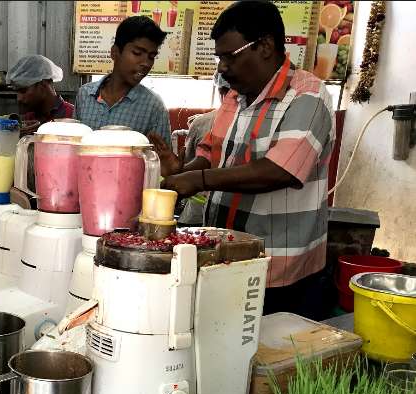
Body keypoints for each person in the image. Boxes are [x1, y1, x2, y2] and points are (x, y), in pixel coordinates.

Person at [149, 0, 335, 320]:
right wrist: (183, 170)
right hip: (227, 258)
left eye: (229, 56)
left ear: (265, 46)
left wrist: (198, 181)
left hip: (279, 269)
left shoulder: (308, 96)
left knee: (270, 356)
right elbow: (211, 155)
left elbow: (279, 171)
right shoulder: (236, 96)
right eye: (219, 57)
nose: (222, 67)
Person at [74, 16, 172, 146]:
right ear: (115, 52)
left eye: (151, 56)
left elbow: (161, 161)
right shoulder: (85, 95)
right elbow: (74, 146)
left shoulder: (153, 106)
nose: (146, 63)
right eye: (137, 53)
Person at [177, 73, 230, 225]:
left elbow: (188, 164)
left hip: (196, 213)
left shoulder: (201, 122)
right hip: (230, 215)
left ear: (220, 91)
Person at [7, 55, 74, 136]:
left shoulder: (72, 115)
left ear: (43, 84)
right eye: (17, 92)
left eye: (23, 90)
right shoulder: (27, 120)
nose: (19, 98)